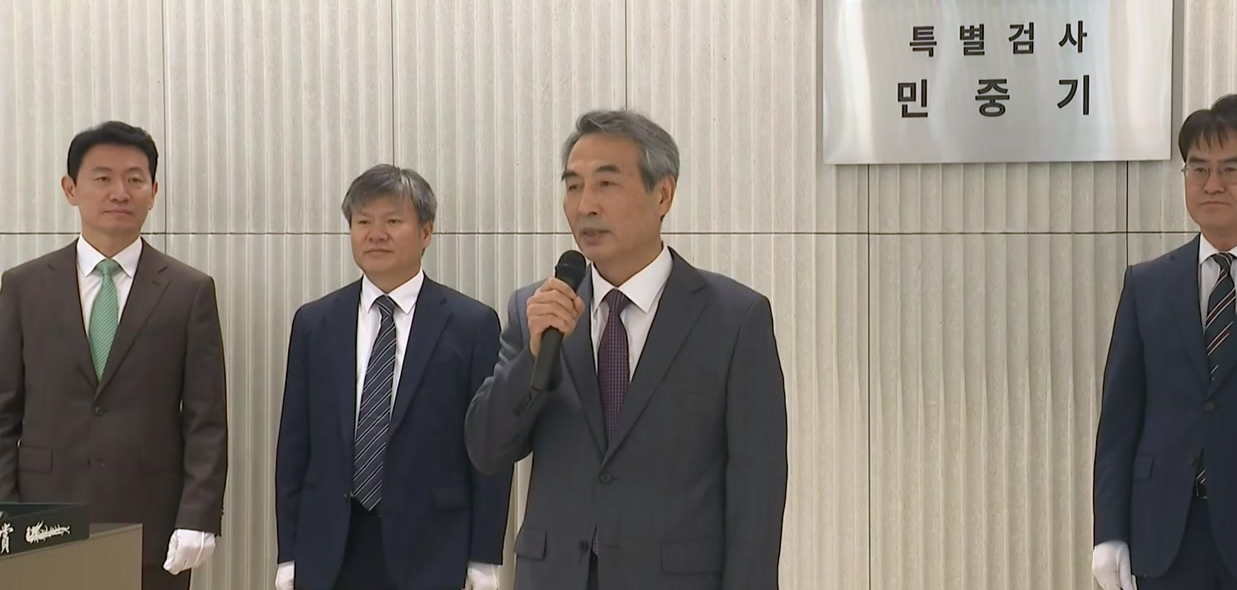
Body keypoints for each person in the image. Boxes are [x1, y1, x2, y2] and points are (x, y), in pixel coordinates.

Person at [465, 109, 788, 590]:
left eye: (606, 184)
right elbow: (486, 451)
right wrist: (532, 357)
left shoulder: (734, 318)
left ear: (663, 194)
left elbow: (756, 489)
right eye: (573, 186)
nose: (585, 205)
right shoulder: (538, 310)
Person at [0, 121, 228, 590]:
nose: (120, 192)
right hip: (41, 520)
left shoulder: (188, 291)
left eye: (135, 179)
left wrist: (198, 516)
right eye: (103, 177)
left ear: (153, 192)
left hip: (151, 523)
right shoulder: (23, 286)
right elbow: (4, 411)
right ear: (71, 189)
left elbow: (206, 420)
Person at [274, 164, 512, 590]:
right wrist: (289, 552)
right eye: (363, 222)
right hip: (330, 547)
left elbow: (488, 451)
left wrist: (484, 556)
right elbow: (294, 444)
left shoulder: (472, 324)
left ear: (426, 232)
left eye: (393, 222)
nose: (376, 234)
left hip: (434, 548)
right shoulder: (315, 322)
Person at [1093, 94, 1237, 590]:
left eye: (1230, 169)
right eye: (1198, 169)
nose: (1211, 184)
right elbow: (1119, 424)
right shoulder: (1147, 285)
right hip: (1166, 539)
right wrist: (1109, 533)